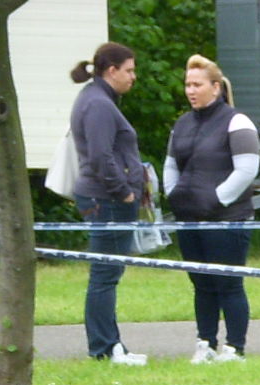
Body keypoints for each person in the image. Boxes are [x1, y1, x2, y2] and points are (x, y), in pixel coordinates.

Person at [165, 55, 260, 362]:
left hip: (227, 219)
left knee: (228, 283)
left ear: (216, 87)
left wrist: (216, 200)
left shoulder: (237, 121)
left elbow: (246, 170)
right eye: (187, 85)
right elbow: (170, 165)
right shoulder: (181, 124)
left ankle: (235, 347)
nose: (191, 90)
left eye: (197, 84)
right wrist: (174, 195)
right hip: (189, 219)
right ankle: (205, 343)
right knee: (201, 283)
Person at [68, 44, 147, 366]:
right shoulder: (99, 104)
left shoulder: (96, 98)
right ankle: (105, 347)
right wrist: (125, 192)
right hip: (107, 199)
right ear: (110, 71)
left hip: (102, 197)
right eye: (129, 70)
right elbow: (101, 157)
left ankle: (109, 345)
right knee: (105, 275)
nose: (133, 77)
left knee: (106, 274)